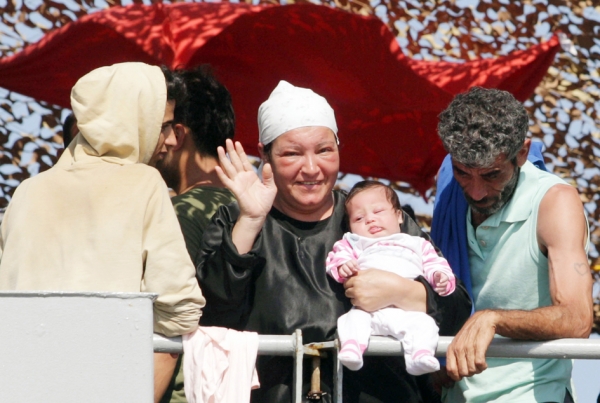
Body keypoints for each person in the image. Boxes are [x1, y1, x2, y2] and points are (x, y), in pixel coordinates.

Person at [196, 80, 471, 403]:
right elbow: (210, 313)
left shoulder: (374, 217)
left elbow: (457, 312)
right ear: (264, 154)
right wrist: (252, 221)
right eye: (292, 153)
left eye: (324, 150)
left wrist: (406, 292)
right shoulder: (237, 219)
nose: (311, 169)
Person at [0, 62, 206, 403]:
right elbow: (180, 309)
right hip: (107, 387)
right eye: (164, 125)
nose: (170, 140)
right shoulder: (144, 183)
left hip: (21, 387)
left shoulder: (26, 192)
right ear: (132, 121)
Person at [433, 87, 593, 403]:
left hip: (533, 394)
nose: (476, 192)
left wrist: (493, 318)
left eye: (492, 175)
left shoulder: (554, 202)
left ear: (522, 152)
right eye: (463, 173)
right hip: (452, 393)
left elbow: (578, 318)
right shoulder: (449, 191)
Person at [148, 66, 236, 403]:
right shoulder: (254, 205)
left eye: (161, 127)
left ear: (177, 134)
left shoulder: (182, 215)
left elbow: (167, 324)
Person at [326, 180, 455, 375]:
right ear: (350, 227)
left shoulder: (417, 243)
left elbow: (435, 264)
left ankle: (419, 355)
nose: (370, 219)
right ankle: (352, 348)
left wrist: (440, 278)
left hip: (408, 310)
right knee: (351, 320)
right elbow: (336, 256)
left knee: (425, 325)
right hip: (368, 310)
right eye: (359, 218)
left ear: (399, 216)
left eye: (378, 212)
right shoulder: (354, 242)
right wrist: (343, 266)